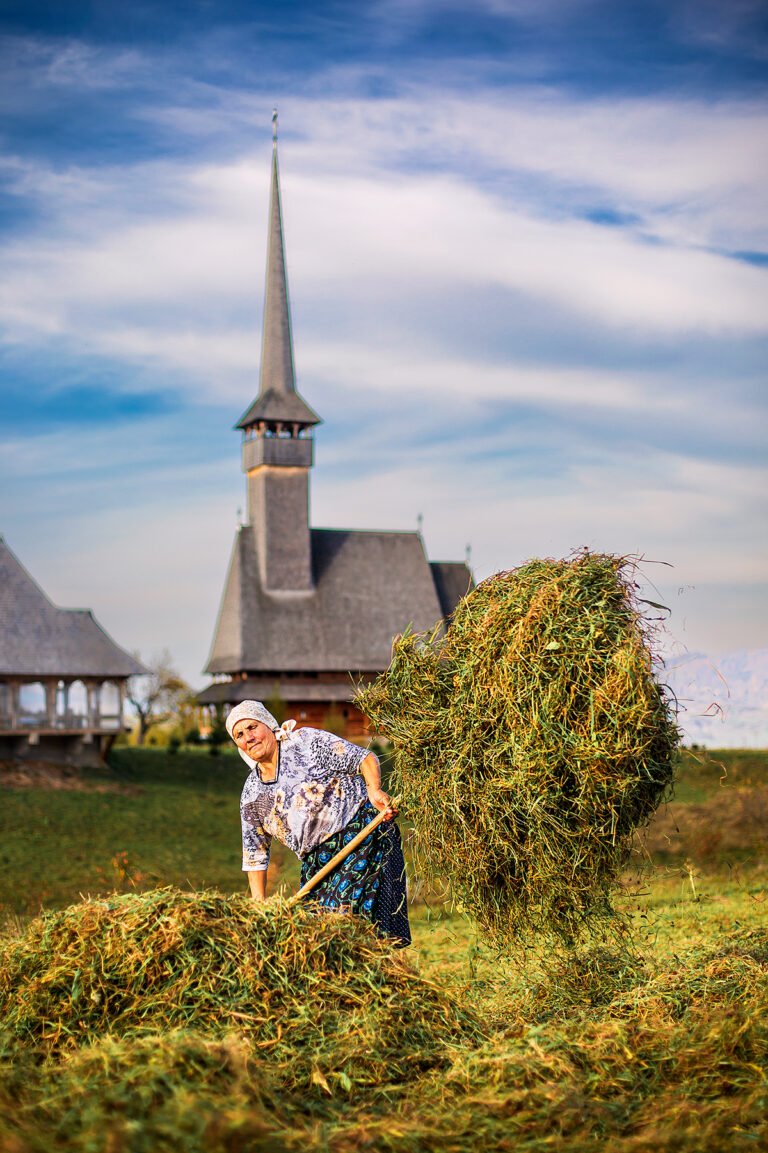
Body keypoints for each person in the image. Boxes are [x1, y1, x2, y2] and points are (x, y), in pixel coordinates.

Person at [225, 700, 411, 947]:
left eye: (252, 727)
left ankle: (376, 975)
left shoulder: (304, 743)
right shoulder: (252, 795)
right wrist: (260, 909)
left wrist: (374, 790)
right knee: (314, 938)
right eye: (239, 734)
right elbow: (254, 856)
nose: (248, 737)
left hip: (362, 836)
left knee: (345, 927)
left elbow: (363, 758)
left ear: (268, 725)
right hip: (316, 862)